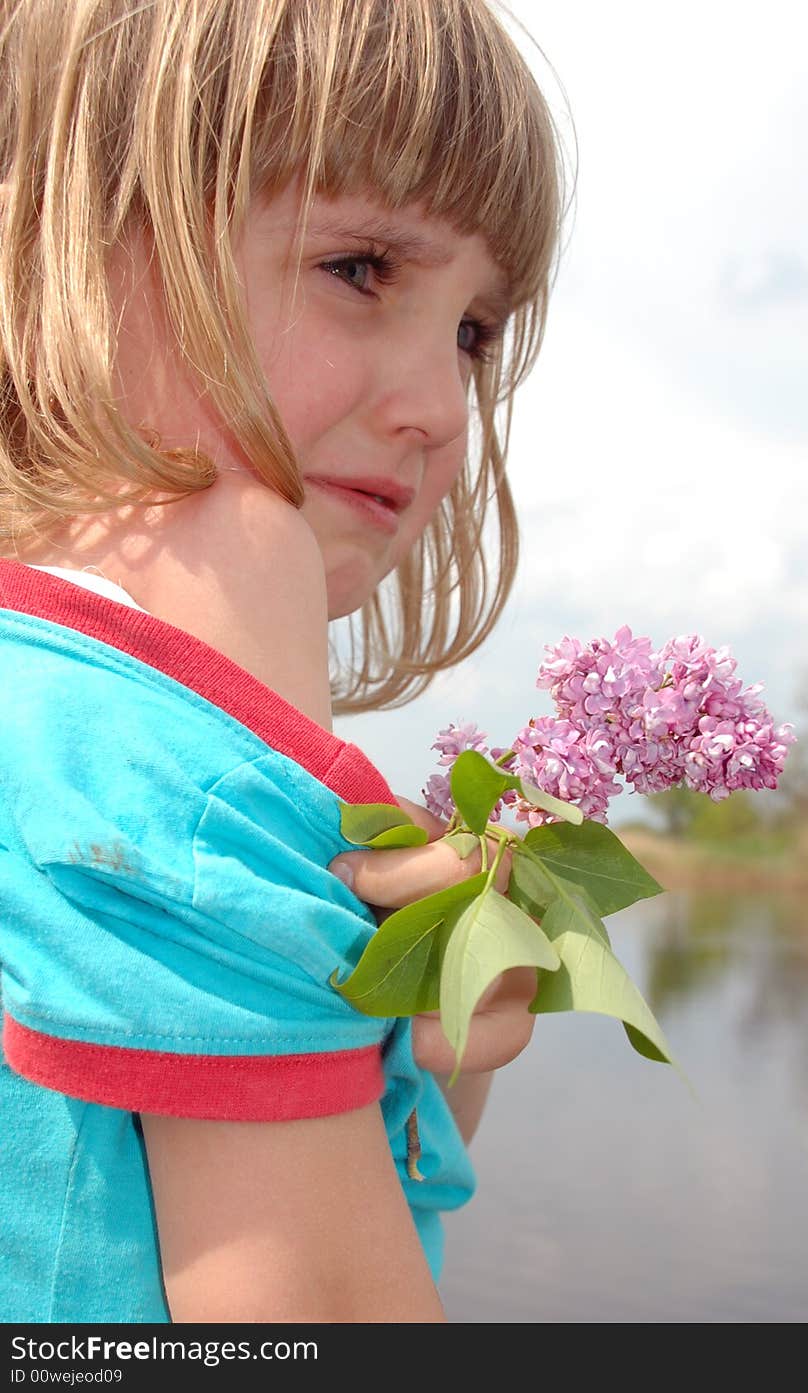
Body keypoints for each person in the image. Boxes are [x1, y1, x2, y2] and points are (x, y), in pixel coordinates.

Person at [0, 0, 563, 1323]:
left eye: (476, 331)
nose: (437, 405)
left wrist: (425, 1049)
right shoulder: (189, 624)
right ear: (59, 243)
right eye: (362, 268)